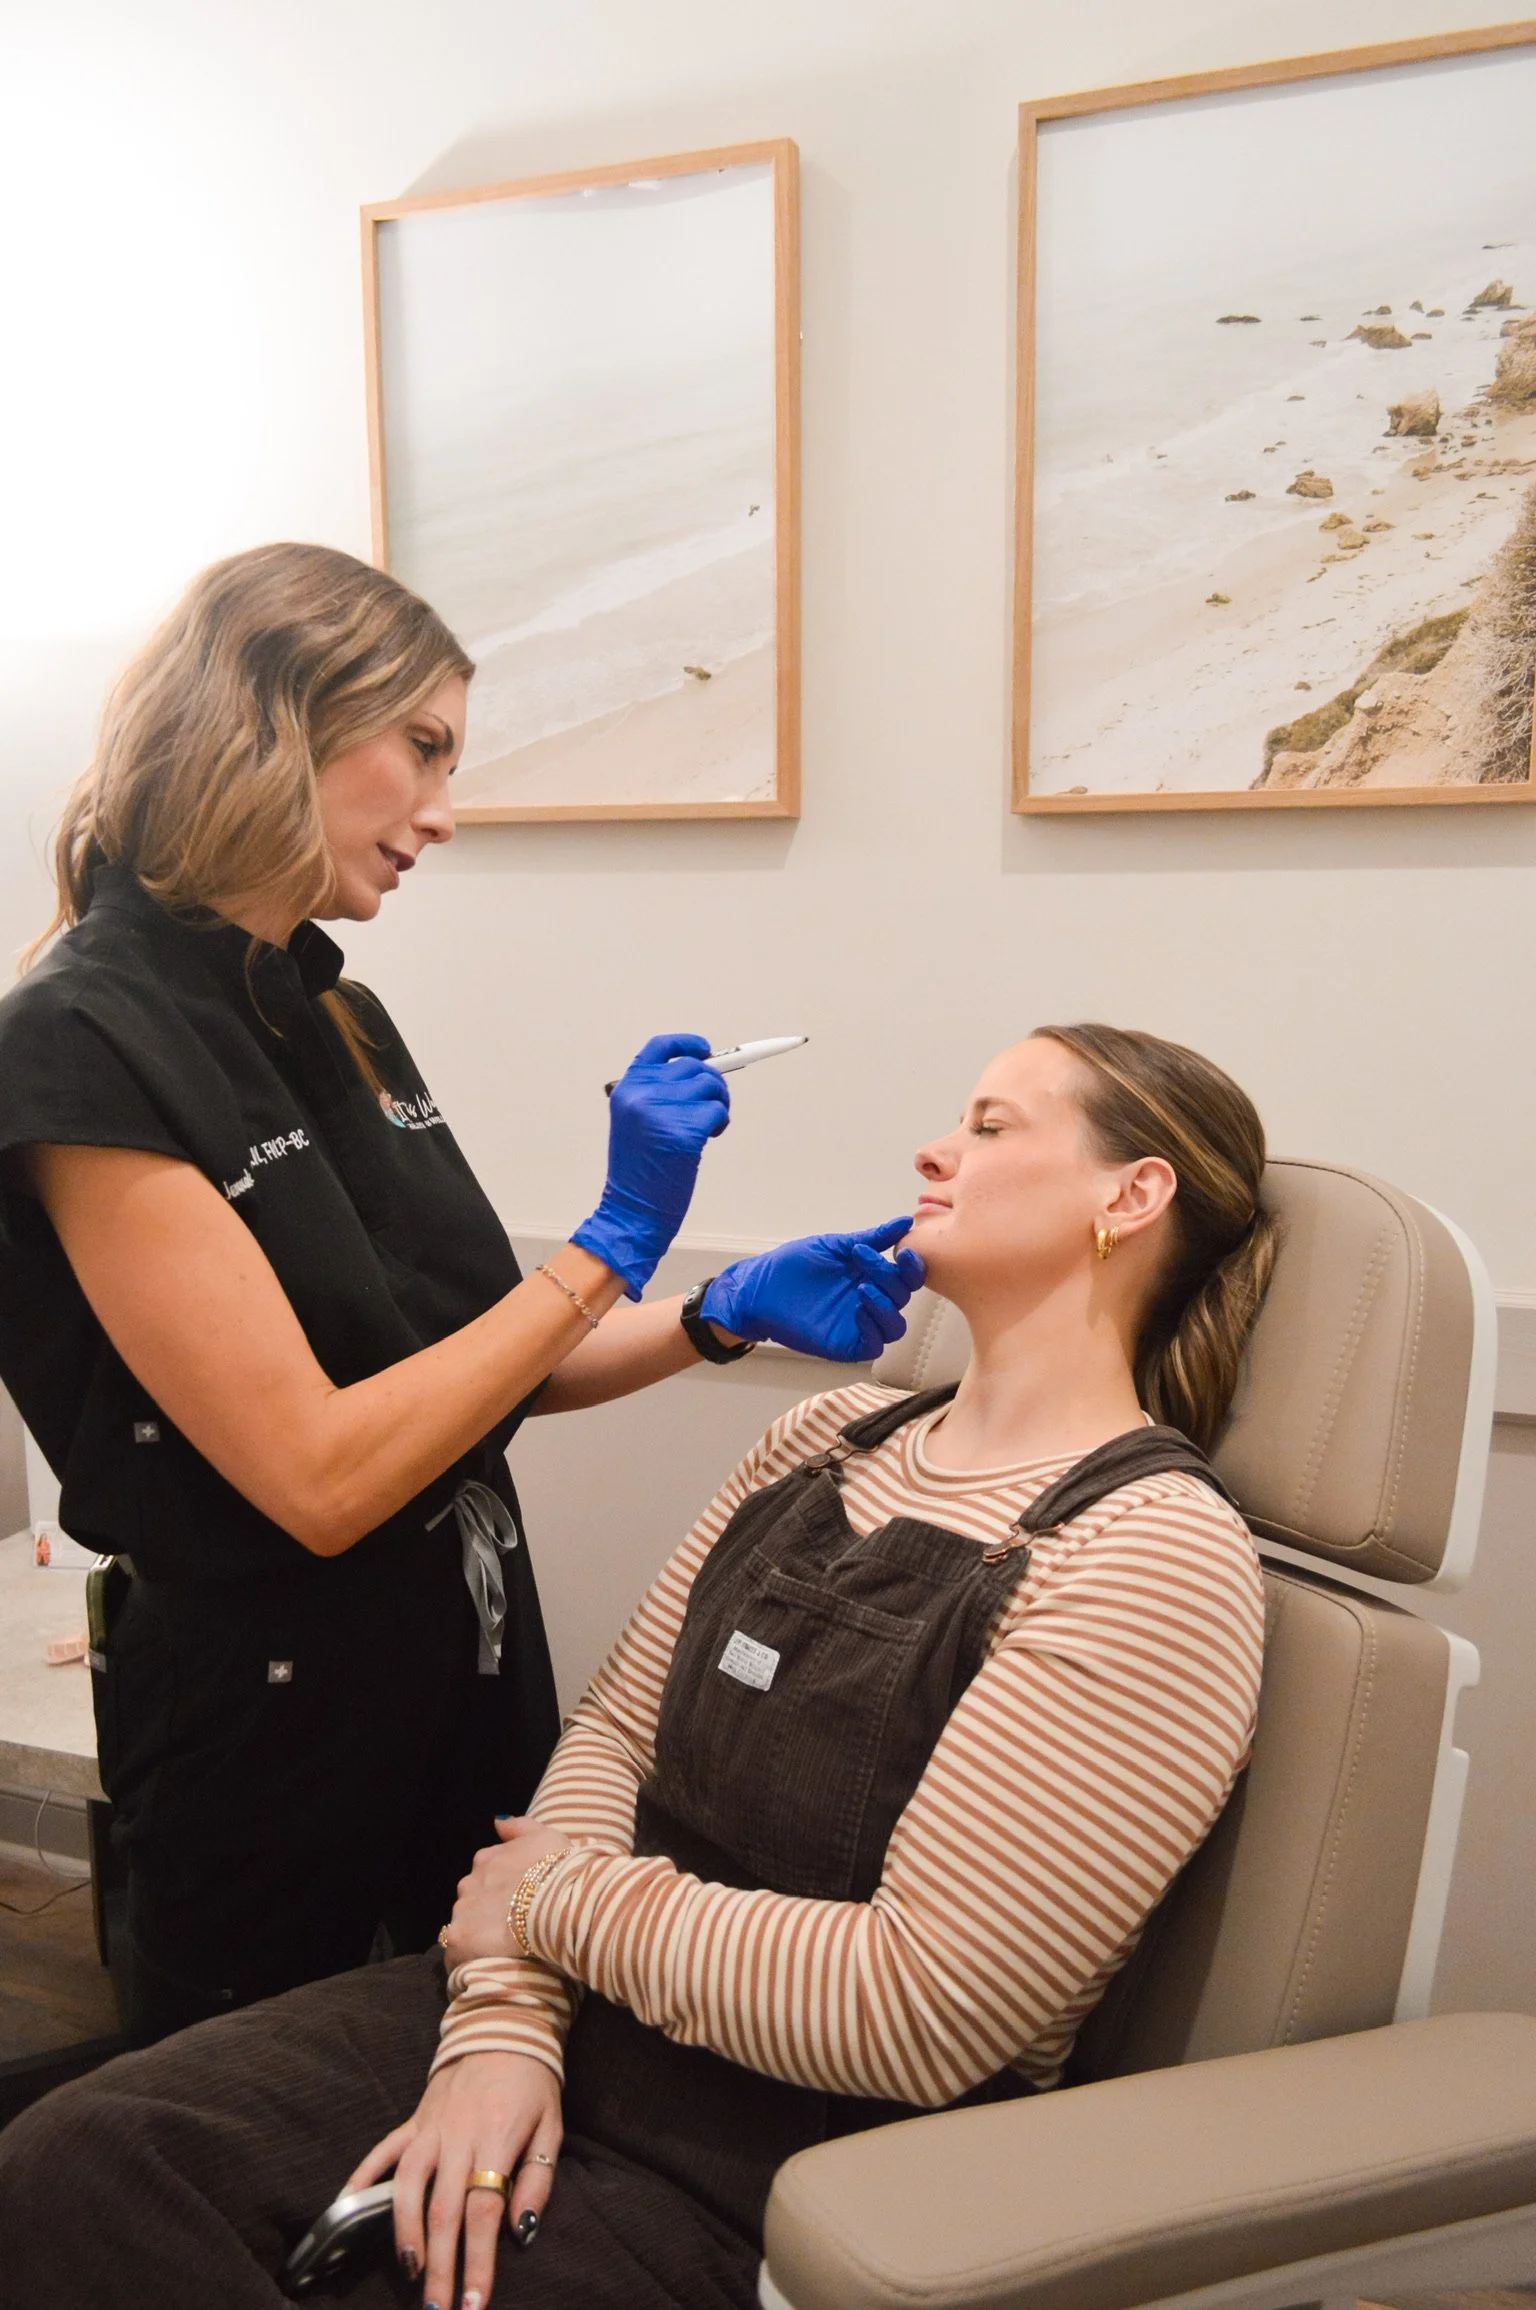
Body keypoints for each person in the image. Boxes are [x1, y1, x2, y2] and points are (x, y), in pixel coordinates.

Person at [0, 1021, 1277, 2310]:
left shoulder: (1149, 1555)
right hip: (566, 2018)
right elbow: (616, 1736)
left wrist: (551, 1906)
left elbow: (918, 2004)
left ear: (1133, 1193)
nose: (934, 1148)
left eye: (993, 1127)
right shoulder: (823, 1436)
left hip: (793, 2155)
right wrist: (501, 2034)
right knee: (83, 2165)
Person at [0, 542, 923, 2047]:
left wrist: (715, 1311)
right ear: (276, 721)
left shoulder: (336, 1008)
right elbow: (319, 1471)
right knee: (266, 2133)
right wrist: (614, 1240)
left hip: (463, 1659)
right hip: (271, 1723)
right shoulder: (79, 1041)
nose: (445, 809)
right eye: (421, 749)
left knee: (475, 2058)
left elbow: (478, 1368)